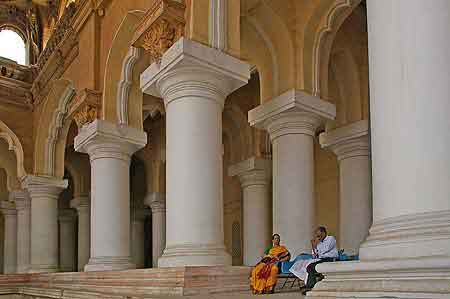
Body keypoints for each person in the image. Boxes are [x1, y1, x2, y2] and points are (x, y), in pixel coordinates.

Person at [302, 226, 338, 295]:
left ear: (324, 233)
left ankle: (311, 286)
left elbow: (324, 250)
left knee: (310, 267)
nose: (318, 237)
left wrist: (315, 245)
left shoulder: (331, 239)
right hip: (322, 259)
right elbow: (314, 255)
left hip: (330, 260)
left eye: (319, 235)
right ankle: (309, 284)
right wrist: (313, 246)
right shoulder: (319, 242)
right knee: (308, 266)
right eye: (317, 236)